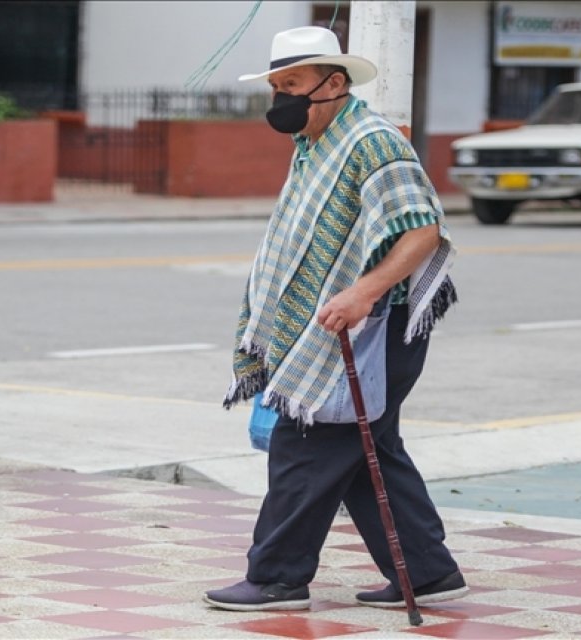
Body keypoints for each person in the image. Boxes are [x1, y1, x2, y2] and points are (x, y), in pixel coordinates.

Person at [204, 26, 466, 612]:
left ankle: (277, 576)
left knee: (309, 446)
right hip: (347, 324)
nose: (282, 99)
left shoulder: (372, 141)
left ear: (334, 82)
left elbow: (423, 230)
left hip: (372, 327)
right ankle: (426, 570)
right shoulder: (315, 143)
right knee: (368, 448)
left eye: (291, 85)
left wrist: (363, 294)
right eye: (277, 87)